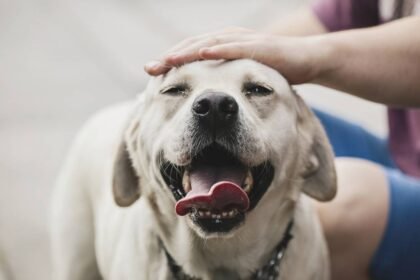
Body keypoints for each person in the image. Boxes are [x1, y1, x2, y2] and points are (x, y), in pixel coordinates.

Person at [144, 1, 420, 279]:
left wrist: (311, 57)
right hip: (403, 153)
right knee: (278, 115)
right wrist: (225, 57)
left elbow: (297, 50)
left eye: (256, 89)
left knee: (339, 207)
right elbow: (294, 33)